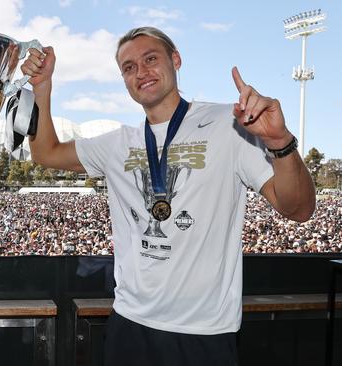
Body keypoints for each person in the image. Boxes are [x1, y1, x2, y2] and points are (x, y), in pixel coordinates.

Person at [21, 26, 315, 365]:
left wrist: (280, 144)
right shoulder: (118, 143)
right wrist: (42, 88)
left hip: (203, 333)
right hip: (130, 325)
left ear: (175, 60)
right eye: (128, 68)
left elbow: (299, 208)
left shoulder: (229, 124)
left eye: (150, 59)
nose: (140, 72)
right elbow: (46, 152)